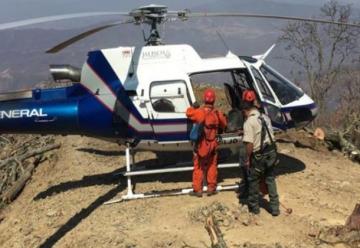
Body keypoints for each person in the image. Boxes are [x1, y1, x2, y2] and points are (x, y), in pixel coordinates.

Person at [242, 94, 280, 216]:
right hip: (271, 152)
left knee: (253, 181)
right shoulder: (265, 118)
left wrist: (247, 158)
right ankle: (275, 208)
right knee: (270, 179)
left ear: (245, 111)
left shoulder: (249, 122)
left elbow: (249, 145)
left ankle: (254, 208)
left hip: (259, 156)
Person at [186, 88, 227, 197]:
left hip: (201, 145)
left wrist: (193, 107)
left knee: (198, 166)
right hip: (213, 144)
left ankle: (197, 190)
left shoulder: (200, 112)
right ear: (213, 100)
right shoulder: (217, 113)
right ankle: (211, 188)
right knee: (212, 165)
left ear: (204, 99)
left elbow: (188, 113)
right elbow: (224, 123)